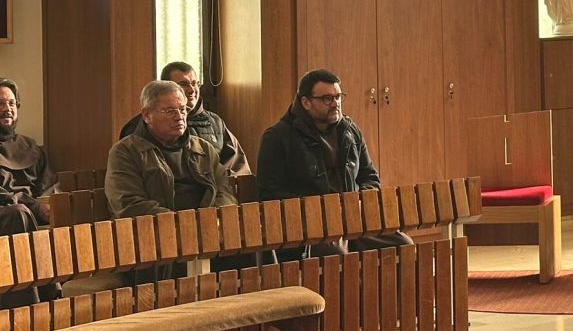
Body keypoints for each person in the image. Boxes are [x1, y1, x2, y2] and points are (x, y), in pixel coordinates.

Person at [257, 69, 412, 259]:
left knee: (404, 246)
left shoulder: (350, 130)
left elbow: (369, 176)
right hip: (312, 225)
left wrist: (360, 202)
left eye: (338, 97)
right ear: (306, 102)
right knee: (336, 255)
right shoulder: (277, 137)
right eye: (327, 98)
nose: (335, 103)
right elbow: (270, 192)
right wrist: (318, 209)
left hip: (355, 218)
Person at [107, 80, 240, 282]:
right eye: (170, 111)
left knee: (253, 250)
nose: (179, 116)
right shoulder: (126, 151)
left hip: (207, 232)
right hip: (154, 238)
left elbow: (224, 191)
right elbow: (128, 204)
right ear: (147, 115)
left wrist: (215, 219)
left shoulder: (203, 148)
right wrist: (182, 225)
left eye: (183, 109)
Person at [119, 61, 250, 178]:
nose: (192, 90)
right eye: (183, 84)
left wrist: (223, 184)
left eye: (195, 84)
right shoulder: (142, 125)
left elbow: (237, 165)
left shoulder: (215, 122)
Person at [0, 78, 57, 235]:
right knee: (17, 213)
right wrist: (33, 206)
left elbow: (49, 184)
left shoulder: (30, 146)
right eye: (1, 104)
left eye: (12, 103)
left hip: (31, 210)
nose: (7, 109)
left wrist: (47, 204)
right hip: (8, 212)